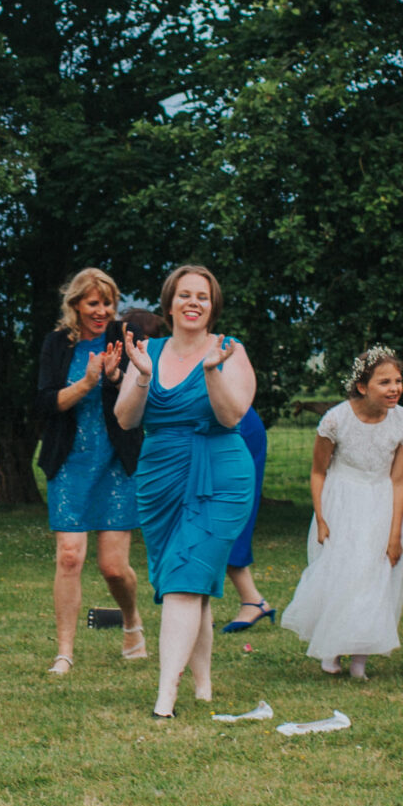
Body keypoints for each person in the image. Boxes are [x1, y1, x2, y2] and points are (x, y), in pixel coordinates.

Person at [118, 266, 258, 718]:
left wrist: (212, 371)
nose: (193, 302)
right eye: (185, 295)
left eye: (203, 296)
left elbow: (232, 415)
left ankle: (165, 698)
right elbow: (125, 419)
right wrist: (141, 375)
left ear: (213, 305)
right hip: (160, 477)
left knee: (183, 578)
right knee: (187, 583)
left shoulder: (230, 351)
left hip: (220, 475)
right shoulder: (148, 351)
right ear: (170, 302)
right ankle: (203, 686)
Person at [280, 347, 403, 679]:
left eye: (398, 381)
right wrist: (322, 518)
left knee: (374, 578)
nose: (394, 388)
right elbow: (318, 472)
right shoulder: (336, 420)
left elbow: (399, 480)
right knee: (344, 575)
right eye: (384, 382)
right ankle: (331, 648)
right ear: (362, 386)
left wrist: (395, 534)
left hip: (383, 503)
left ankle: (360, 659)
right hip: (342, 500)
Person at [32, 268, 144, 674]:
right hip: (70, 462)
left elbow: (140, 398)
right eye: (93, 303)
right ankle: (65, 652)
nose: (101, 311)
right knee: (68, 556)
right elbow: (45, 403)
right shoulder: (57, 344)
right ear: (76, 304)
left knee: (113, 567)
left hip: (116, 462)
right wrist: (87, 381)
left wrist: (114, 377)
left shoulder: (125, 340)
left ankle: (131, 621)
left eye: (108, 303)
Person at [220, 404, 276, 631]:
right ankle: (251, 599)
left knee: (223, 520)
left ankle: (252, 600)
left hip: (232, 429)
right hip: (212, 428)